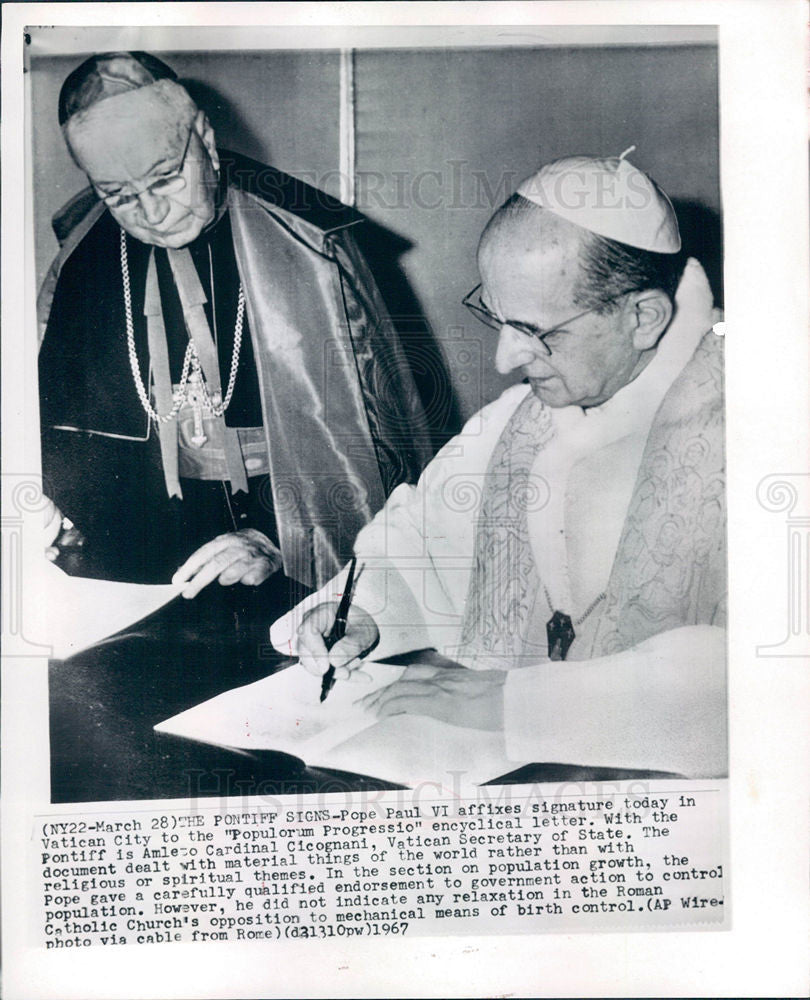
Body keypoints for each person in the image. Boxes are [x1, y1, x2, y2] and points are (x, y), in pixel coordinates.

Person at [271, 151, 727, 779]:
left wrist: (525, 706)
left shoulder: (767, 427)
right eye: (495, 316)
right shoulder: (518, 420)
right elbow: (421, 551)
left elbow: (771, 680)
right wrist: (366, 614)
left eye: (536, 331)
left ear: (643, 317)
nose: (504, 359)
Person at [38, 51, 431, 610]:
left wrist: (276, 537)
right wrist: (58, 507)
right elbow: (58, 426)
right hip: (138, 550)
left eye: (167, 177)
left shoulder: (309, 243)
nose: (151, 212)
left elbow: (376, 443)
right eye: (118, 195)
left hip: (287, 545)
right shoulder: (83, 255)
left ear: (205, 136)